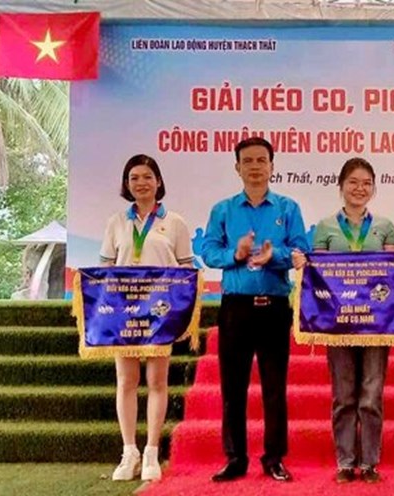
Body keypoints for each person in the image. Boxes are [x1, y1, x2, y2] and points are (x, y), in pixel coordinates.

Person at [202, 137, 309, 483]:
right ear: (237, 167)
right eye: (247, 161)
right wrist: (236, 254)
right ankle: (235, 458)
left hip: (274, 307)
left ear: (272, 166)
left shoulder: (288, 208)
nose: (255, 167)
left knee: (275, 387)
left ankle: (274, 458)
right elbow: (208, 252)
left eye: (261, 160)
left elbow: (300, 252)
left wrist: (272, 256)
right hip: (235, 309)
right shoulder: (223, 210)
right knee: (232, 387)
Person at [293, 158, 394, 484]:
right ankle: (344, 460)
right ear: (341, 186)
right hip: (337, 323)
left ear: (374, 188)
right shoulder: (325, 227)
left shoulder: (385, 226)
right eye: (353, 182)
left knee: (371, 394)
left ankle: (369, 463)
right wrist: (303, 265)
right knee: (343, 395)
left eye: (366, 182)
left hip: (376, 325)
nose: (360, 188)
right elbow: (319, 275)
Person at [99, 154, 194, 481]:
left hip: (159, 315)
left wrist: (180, 306)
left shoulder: (175, 222)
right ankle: (129, 452)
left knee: (156, 381)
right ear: (127, 184)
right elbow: (105, 270)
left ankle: (152, 451)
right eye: (134, 177)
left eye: (147, 177)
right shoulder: (116, 222)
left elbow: (186, 269)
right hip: (123, 314)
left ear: (158, 182)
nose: (141, 183)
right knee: (126, 381)